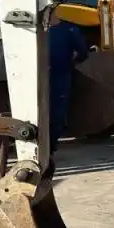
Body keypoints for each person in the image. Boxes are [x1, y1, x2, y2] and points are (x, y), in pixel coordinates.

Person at [47, 11, 89, 150]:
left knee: (56, 114)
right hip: (36, 78)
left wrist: (71, 63)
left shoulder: (70, 30)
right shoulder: (35, 31)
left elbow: (83, 52)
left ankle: (50, 145)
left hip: (60, 77)